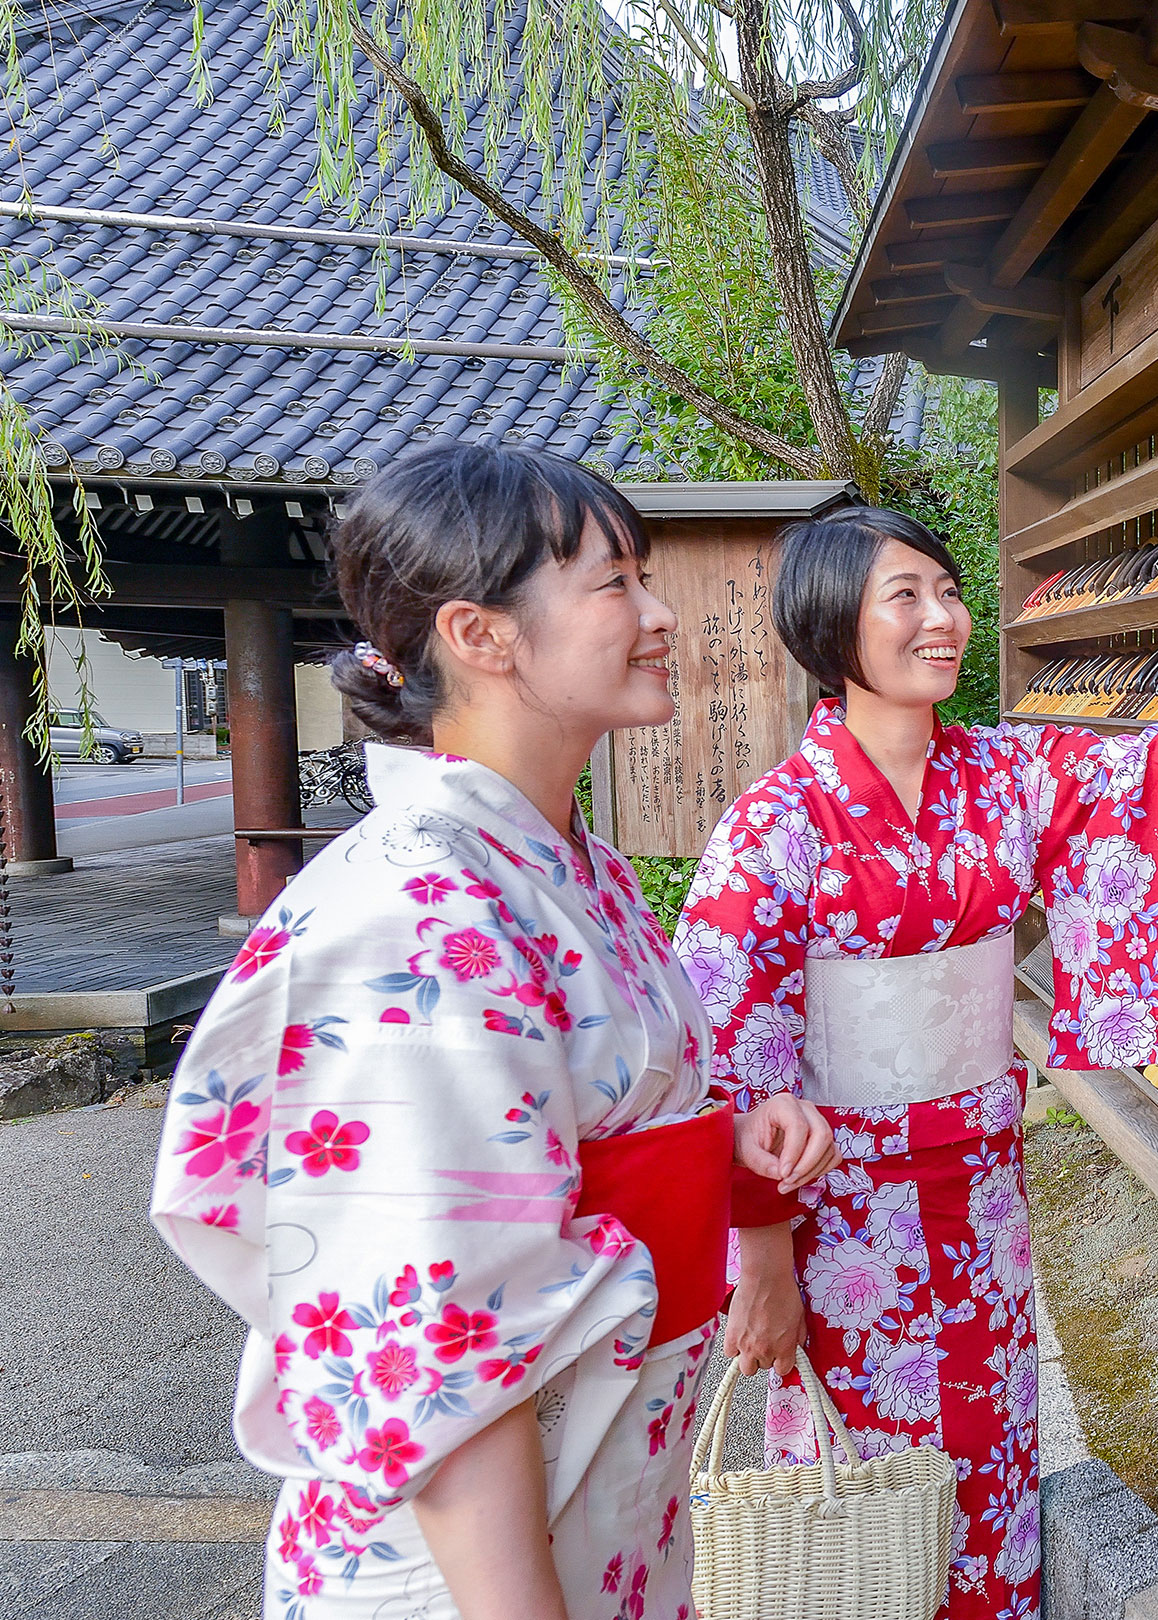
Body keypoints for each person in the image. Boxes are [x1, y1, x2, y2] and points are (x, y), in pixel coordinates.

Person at [151, 443, 836, 1620]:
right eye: (615, 583)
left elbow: (572, 1145)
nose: (660, 613)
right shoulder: (419, 916)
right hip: (477, 1560)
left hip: (603, 1496)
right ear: (479, 636)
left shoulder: (572, 868)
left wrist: (712, 1141)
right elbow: (436, 1337)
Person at [674, 506, 1158, 1619]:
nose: (941, 618)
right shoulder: (776, 825)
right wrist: (759, 1252)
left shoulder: (1003, 774)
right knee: (859, 1472)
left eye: (947, 591)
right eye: (902, 596)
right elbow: (727, 1057)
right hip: (838, 1206)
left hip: (976, 1181)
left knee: (995, 1434)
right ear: (831, 627)